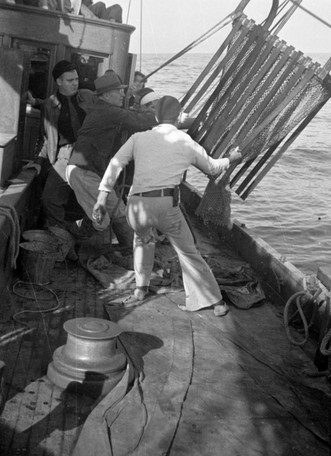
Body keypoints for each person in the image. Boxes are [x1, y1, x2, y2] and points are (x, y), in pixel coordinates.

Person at [92, 96, 242, 315]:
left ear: (155, 117)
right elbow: (212, 168)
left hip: (136, 207)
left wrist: (101, 199)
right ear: (179, 117)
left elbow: (115, 164)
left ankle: (140, 289)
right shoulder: (185, 141)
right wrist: (231, 158)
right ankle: (216, 303)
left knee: (142, 241)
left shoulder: (138, 137)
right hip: (165, 204)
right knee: (188, 252)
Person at [66, 71, 157, 247]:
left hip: (91, 170)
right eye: (119, 91)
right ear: (107, 94)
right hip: (82, 171)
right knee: (103, 221)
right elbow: (136, 121)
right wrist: (169, 117)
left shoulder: (104, 109)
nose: (123, 94)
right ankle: (90, 251)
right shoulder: (107, 111)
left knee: (119, 211)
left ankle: (132, 250)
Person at [24, 60, 98, 237]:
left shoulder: (87, 96)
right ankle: (63, 238)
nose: (75, 83)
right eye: (70, 80)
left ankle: (83, 236)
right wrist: (38, 162)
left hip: (90, 154)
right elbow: (45, 137)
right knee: (49, 199)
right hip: (65, 156)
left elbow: (107, 106)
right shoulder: (49, 105)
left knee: (101, 199)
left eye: (76, 79)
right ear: (58, 81)